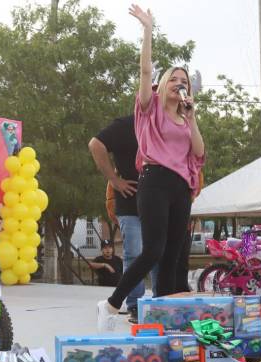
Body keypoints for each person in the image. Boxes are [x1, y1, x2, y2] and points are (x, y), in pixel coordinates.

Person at [97, 4, 205, 332]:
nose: (179, 83)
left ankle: (166, 317)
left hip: (180, 188)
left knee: (174, 254)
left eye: (184, 80)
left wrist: (192, 116)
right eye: (174, 78)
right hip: (154, 181)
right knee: (153, 249)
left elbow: (198, 153)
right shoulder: (150, 109)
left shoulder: (184, 118)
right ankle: (112, 303)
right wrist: (147, 30)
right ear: (162, 85)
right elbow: (145, 73)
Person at [90, 116, 159, 321]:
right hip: (130, 202)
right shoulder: (127, 125)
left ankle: (159, 302)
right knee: (134, 253)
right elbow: (96, 144)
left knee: (160, 253)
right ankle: (135, 304)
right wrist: (114, 179)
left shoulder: (167, 124)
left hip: (160, 202)